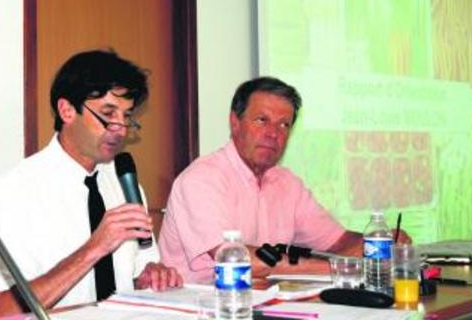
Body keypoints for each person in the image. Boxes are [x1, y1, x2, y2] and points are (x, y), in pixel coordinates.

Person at [0, 49, 182, 314]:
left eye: (127, 116)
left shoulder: (124, 184)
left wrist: (152, 275)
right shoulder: (12, 193)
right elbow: (5, 310)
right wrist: (95, 248)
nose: (120, 128)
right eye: (108, 114)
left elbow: (140, 270)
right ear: (66, 110)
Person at [159, 76, 408, 283]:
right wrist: (341, 268)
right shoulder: (202, 179)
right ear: (235, 123)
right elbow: (237, 261)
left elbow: (338, 242)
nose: (273, 134)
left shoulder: (286, 183)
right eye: (261, 120)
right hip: (200, 313)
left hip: (265, 306)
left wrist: (379, 243)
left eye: (283, 125)